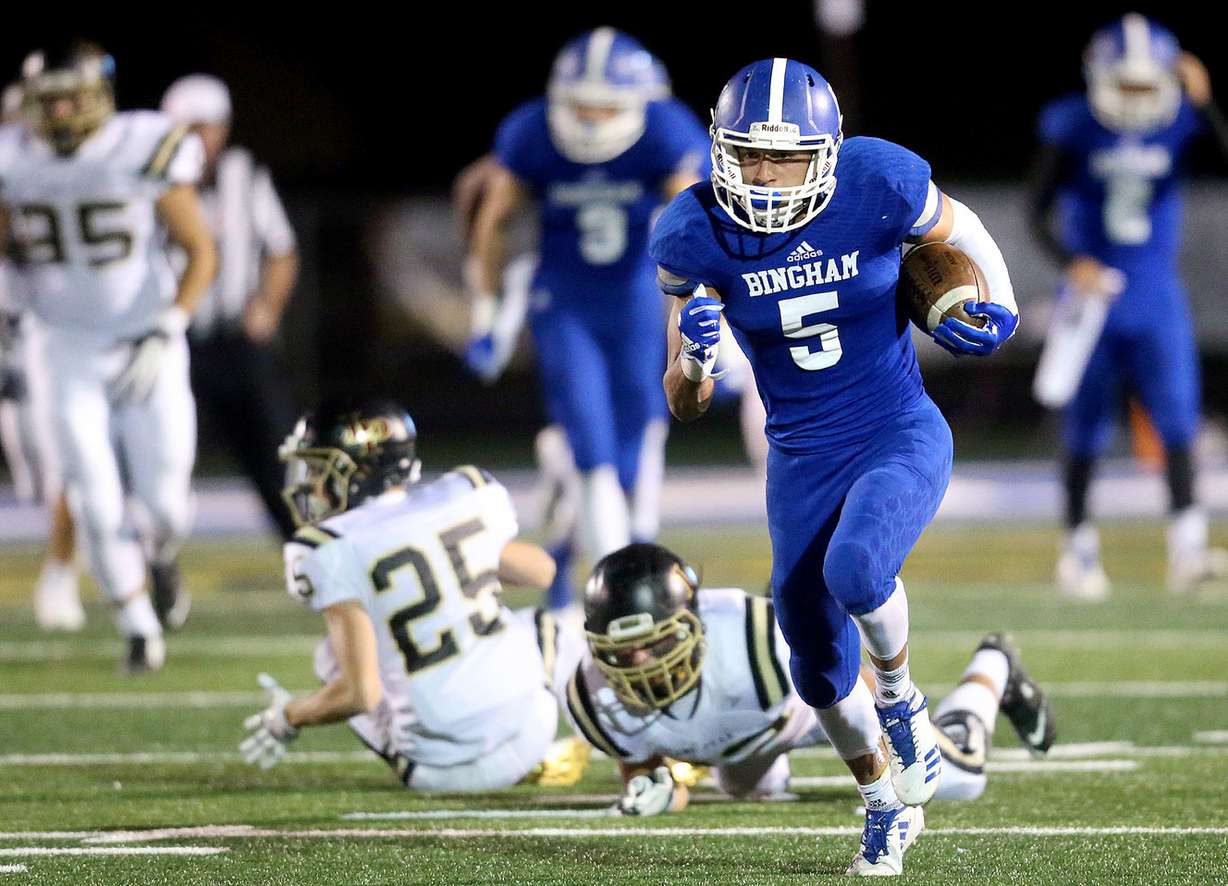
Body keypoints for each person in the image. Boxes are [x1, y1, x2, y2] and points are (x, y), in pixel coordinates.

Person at [649, 59, 1018, 874]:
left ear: (827, 150)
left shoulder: (878, 178)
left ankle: (904, 702)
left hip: (897, 428)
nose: (764, 174)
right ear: (720, 146)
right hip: (799, 458)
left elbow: (958, 232)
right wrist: (698, 364)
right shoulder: (690, 231)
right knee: (813, 664)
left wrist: (1003, 301)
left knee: (857, 568)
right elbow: (683, 403)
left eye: (783, 156)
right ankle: (884, 805)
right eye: (749, 153)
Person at [466, 27, 709, 603]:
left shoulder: (664, 129)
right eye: (582, 106)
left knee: (634, 447)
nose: (595, 120)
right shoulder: (532, 133)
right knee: (594, 451)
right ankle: (620, 590)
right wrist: (486, 313)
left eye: (608, 107)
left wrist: (705, 311)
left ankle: (570, 539)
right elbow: (492, 220)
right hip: (564, 304)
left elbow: (693, 219)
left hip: (633, 304)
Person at [239, 399, 589, 791]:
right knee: (544, 626)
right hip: (533, 732)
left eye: (320, 470)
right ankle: (634, 754)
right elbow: (542, 572)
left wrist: (289, 716)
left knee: (333, 658)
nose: (312, 485)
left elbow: (360, 694)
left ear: (361, 469)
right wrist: (465, 562)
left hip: (436, 772)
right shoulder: (463, 495)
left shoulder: (326, 548)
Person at [0, 41, 217, 671]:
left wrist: (170, 325)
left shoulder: (139, 144)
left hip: (144, 339)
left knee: (166, 505)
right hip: (61, 344)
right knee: (91, 494)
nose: (61, 108)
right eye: (49, 97)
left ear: (100, 95)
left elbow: (201, 249)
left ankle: (162, 558)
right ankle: (138, 625)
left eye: (72, 94)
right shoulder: (14, 157)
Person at [569, 544, 1054, 816]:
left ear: (692, 627)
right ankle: (765, 767)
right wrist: (652, 791)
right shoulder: (593, 696)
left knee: (960, 779)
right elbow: (649, 773)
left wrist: (890, 733)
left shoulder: (756, 642)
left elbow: (845, 678)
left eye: (654, 643)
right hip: (746, 740)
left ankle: (995, 667)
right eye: (621, 653)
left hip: (811, 705)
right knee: (745, 790)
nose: (639, 664)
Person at [1029, 14, 1228, 599]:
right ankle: (1077, 550)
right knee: (1084, 429)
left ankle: (1188, 551)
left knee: (1178, 423)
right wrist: (1072, 263)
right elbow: (1034, 208)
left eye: (1149, 85)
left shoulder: (1182, 121)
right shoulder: (1072, 124)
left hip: (1156, 295)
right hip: (1090, 300)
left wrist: (1207, 102)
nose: (1138, 97)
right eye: (1129, 83)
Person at [161, 74, 300, 541]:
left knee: (279, 453)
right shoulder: (150, 180)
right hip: (172, 341)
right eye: (193, 127)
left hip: (236, 338)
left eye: (211, 126)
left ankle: (305, 549)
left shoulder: (245, 175)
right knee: (163, 457)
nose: (203, 139)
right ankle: (150, 558)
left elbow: (281, 250)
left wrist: (267, 307)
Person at [0, 79, 84, 632]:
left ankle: (61, 574)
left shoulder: (68, 178)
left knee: (63, 464)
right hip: (12, 334)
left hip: (46, 336)